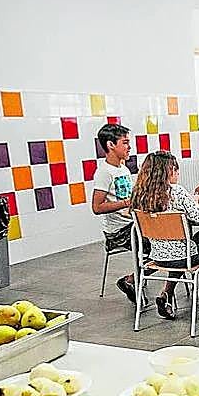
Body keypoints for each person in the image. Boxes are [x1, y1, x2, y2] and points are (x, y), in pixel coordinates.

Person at [128, 150, 199, 320]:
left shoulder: (139, 194)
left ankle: (165, 295)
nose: (178, 173)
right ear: (168, 171)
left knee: (180, 251)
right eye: (175, 169)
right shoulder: (176, 191)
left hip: (157, 256)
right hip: (184, 256)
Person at [91, 123, 138, 301]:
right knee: (162, 246)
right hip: (119, 232)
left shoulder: (123, 169)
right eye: (125, 142)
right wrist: (126, 202)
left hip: (132, 224)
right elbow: (97, 207)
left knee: (165, 240)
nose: (129, 147)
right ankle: (131, 280)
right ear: (111, 145)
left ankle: (134, 280)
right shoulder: (104, 173)